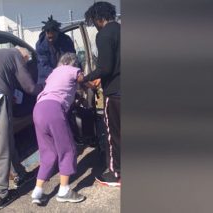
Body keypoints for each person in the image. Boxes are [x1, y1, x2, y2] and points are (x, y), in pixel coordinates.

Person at [0, 46, 43, 209]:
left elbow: (1, 76)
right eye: (26, 62)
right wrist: (45, 87)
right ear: (25, 57)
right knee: (3, 146)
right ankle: (1, 194)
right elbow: (30, 87)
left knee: (4, 140)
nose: (25, 64)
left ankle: (19, 173)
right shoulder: (17, 56)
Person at [31, 53, 88, 205]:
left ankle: (37, 191)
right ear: (73, 63)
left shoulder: (53, 73)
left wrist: (75, 97)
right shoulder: (71, 69)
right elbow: (82, 79)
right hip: (54, 109)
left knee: (48, 152)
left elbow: (62, 89)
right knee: (68, 149)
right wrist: (91, 84)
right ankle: (64, 190)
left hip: (38, 109)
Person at [78, 1, 121, 187]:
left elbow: (105, 67)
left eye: (93, 21)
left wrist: (83, 78)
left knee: (114, 135)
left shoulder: (104, 35)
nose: (94, 25)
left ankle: (116, 173)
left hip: (116, 94)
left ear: (98, 18)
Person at [36, 15, 76, 84]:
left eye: (53, 36)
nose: (50, 39)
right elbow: (44, 66)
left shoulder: (66, 41)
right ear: (45, 33)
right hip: (47, 78)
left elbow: (72, 59)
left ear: (57, 32)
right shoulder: (41, 45)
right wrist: (58, 75)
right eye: (49, 37)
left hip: (65, 75)